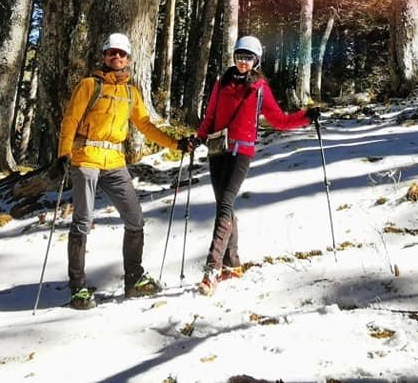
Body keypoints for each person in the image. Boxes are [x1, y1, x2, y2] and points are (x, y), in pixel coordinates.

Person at [57, 32, 194, 310]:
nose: (116, 57)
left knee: (135, 218)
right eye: (111, 53)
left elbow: (145, 125)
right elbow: (70, 119)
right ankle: (78, 288)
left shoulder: (131, 91)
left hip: (115, 162)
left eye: (121, 54)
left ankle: (134, 279)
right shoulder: (89, 85)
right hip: (86, 159)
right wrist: (63, 154)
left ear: (129, 58)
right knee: (82, 221)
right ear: (104, 56)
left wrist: (175, 143)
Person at [194, 35, 320, 296]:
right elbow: (210, 115)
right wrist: (198, 137)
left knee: (226, 204)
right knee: (224, 207)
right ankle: (233, 264)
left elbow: (279, 120)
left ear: (256, 61)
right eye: (240, 56)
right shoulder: (222, 81)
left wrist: (306, 117)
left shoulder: (260, 88)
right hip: (218, 149)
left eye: (248, 58)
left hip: (242, 152)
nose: (243, 62)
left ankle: (212, 268)